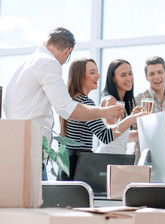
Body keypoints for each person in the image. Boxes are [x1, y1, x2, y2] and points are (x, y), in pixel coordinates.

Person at [3, 27, 122, 180]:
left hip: (15, 146)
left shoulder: (24, 63)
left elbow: (7, 104)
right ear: (68, 51)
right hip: (31, 150)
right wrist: (105, 112)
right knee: (36, 202)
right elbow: (66, 108)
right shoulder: (49, 63)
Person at [59, 58, 145, 180]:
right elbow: (106, 136)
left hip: (68, 164)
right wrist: (131, 119)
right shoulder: (85, 103)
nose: (98, 76)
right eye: (92, 72)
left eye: (97, 72)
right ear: (80, 77)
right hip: (78, 166)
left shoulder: (72, 102)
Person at [134, 56, 165, 167]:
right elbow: (130, 132)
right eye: (152, 74)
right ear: (146, 77)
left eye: (160, 72)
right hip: (142, 164)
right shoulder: (138, 100)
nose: (156, 77)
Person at [96, 59, 145, 154]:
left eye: (130, 74)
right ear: (113, 78)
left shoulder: (121, 102)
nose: (128, 78)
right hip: (106, 159)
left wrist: (145, 133)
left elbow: (121, 136)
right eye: (123, 75)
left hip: (116, 160)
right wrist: (131, 119)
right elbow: (109, 133)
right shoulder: (110, 100)